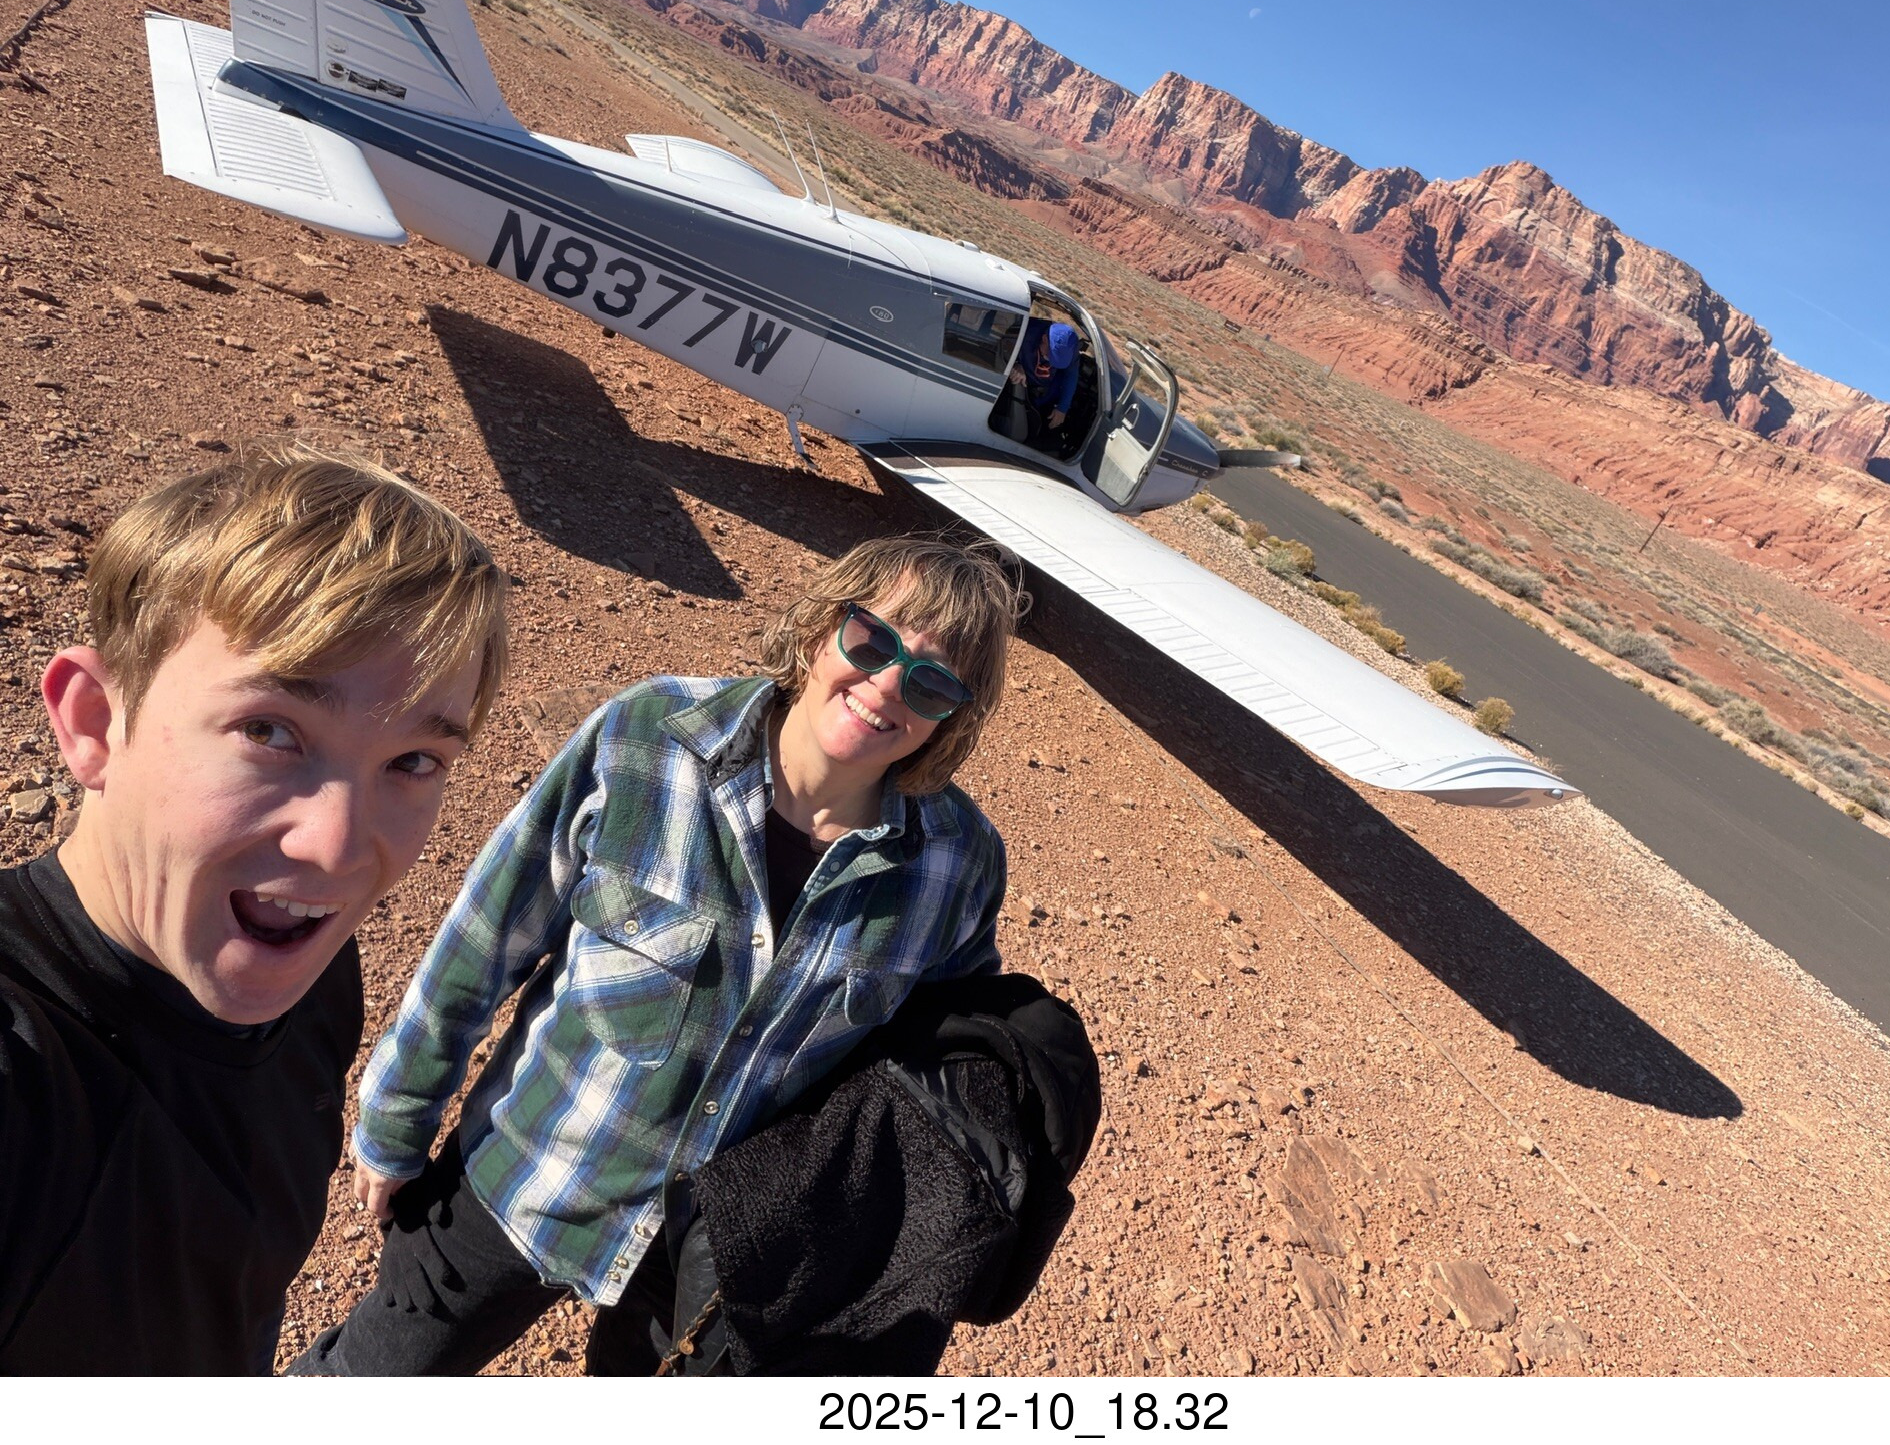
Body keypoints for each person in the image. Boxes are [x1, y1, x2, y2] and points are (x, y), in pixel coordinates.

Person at [290, 535, 1029, 1376]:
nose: (889, 685)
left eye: (932, 684)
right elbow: (489, 933)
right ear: (822, 628)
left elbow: (934, 1064)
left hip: (715, 1259)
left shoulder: (955, 862)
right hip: (530, 1176)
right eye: (873, 642)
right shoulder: (649, 738)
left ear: (952, 716)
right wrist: (396, 1120)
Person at [0, 442, 507, 1374]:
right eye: (270, 731)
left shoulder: (307, 969)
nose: (338, 848)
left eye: (413, 761)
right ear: (94, 722)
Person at [1008, 320, 1081, 433]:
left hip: (1046, 392)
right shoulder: (1025, 332)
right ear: (1044, 339)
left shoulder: (1071, 347)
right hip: (1019, 386)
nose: (1049, 361)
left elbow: (1071, 376)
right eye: (1049, 355)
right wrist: (1016, 363)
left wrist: (1062, 408)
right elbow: (1001, 347)